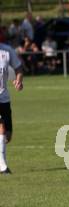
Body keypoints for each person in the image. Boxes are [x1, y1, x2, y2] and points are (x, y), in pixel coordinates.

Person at [0, 42, 24, 175]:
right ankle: (3, 166)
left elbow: (19, 68)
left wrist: (18, 80)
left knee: (7, 136)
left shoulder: (7, 51)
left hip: (4, 99)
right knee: (1, 126)